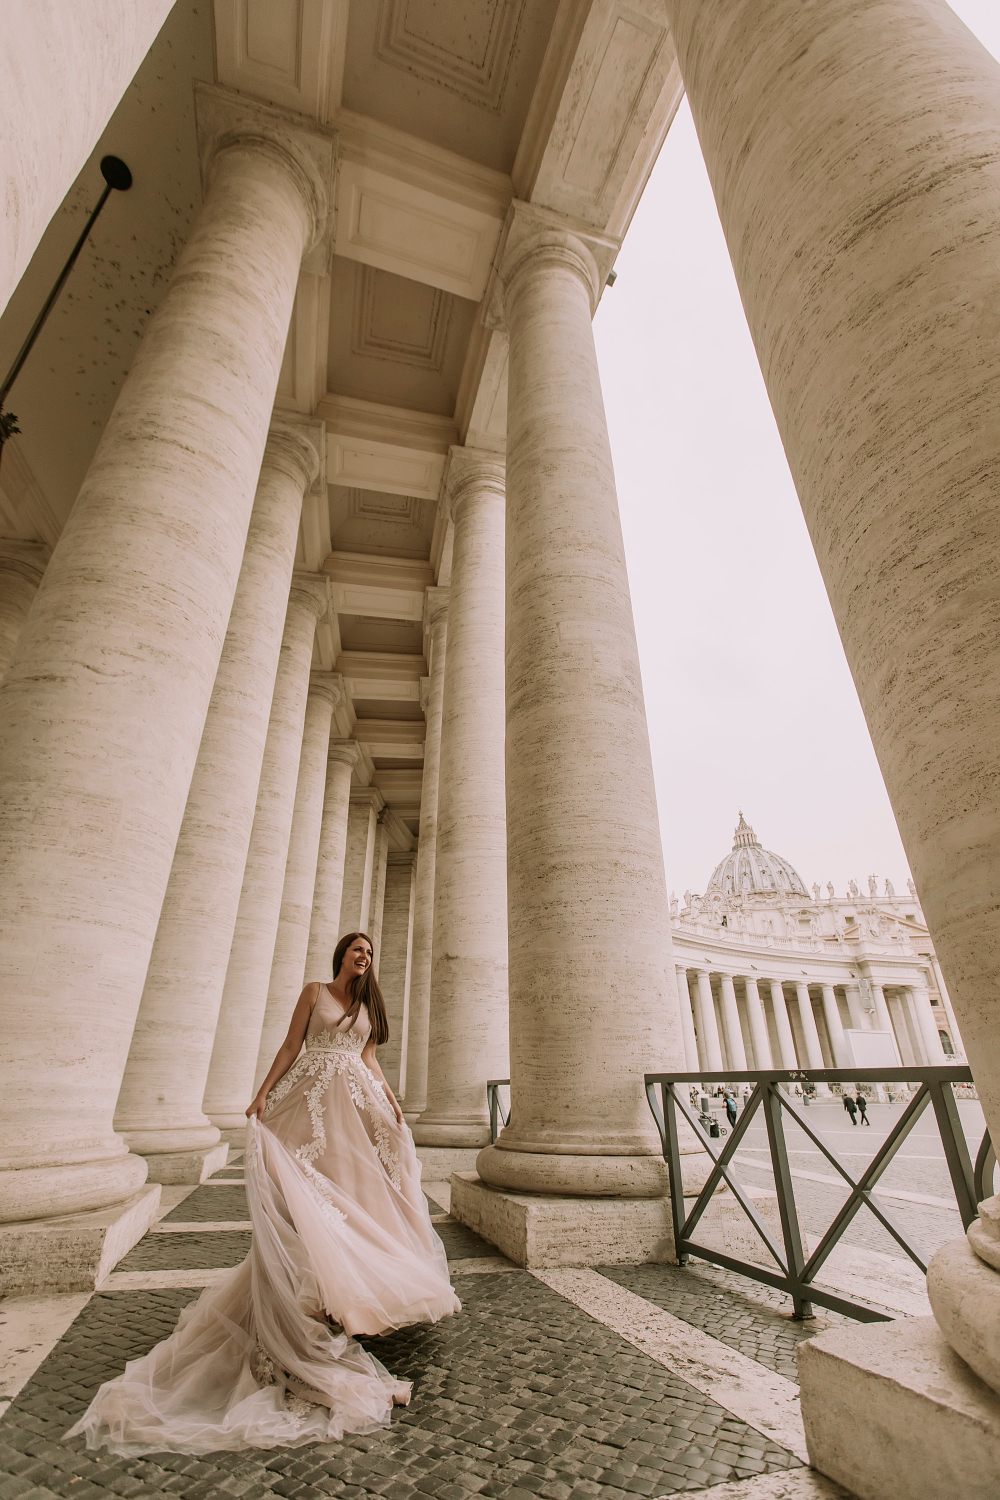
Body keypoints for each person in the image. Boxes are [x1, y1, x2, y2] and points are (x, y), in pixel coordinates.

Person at [65, 932, 460, 1456]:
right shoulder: (315, 991)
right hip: (312, 1099)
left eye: (369, 953)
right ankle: (318, 1293)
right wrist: (263, 1091)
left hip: (355, 1103)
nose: (364, 957)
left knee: (358, 1194)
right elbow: (292, 1044)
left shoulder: (369, 1003)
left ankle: (348, 1290)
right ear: (342, 954)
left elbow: (369, 1059)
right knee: (310, 1192)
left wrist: (391, 1101)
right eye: (357, 950)